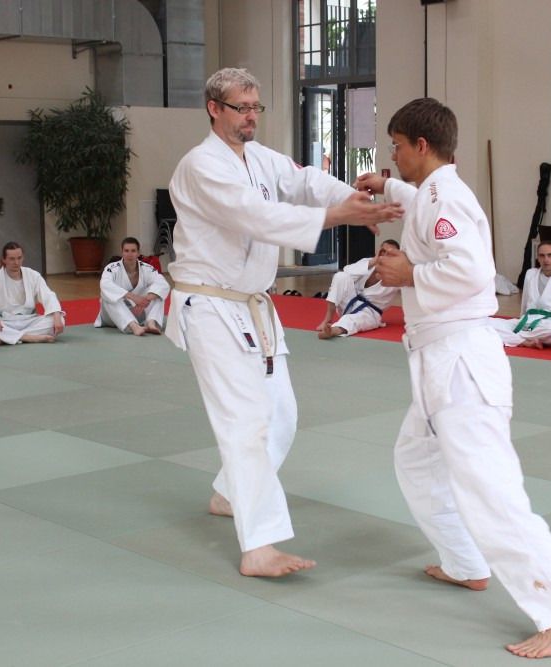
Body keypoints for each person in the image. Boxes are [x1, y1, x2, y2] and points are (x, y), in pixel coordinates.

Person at [355, 97, 551, 660]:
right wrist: (387, 186)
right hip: (438, 360)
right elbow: (419, 202)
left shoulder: (447, 196)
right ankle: (466, 562)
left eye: (396, 146)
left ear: (421, 146)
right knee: (416, 461)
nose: (392, 153)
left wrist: (409, 272)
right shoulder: (431, 191)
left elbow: (471, 269)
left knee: (490, 490)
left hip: (461, 362)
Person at [164, 68, 402, 578]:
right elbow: (256, 216)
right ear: (214, 109)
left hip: (252, 306)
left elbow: (304, 180)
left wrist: (354, 198)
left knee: (282, 415)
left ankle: (229, 492)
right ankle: (259, 546)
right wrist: (336, 217)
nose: (251, 116)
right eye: (241, 108)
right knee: (245, 420)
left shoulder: (258, 158)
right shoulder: (201, 166)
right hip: (210, 307)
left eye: (256, 107)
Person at [488, 241, 551, 348]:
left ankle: (516, 338)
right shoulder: (530, 274)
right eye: (542, 256)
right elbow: (524, 303)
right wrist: (521, 320)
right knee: (487, 322)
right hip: (528, 322)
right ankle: (526, 340)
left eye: (550, 255)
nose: (546, 259)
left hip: (549, 325)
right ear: (538, 258)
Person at [0, 242, 64, 345]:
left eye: (19, 258)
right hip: (4, 322)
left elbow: (48, 296)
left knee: (60, 319)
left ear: (23, 257)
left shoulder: (33, 275)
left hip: (29, 320)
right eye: (12, 259)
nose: (16, 262)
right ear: (4, 259)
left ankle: (7, 337)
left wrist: (56, 315)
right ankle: (29, 337)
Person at [316, 239, 401, 339]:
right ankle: (328, 319)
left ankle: (333, 330)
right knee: (341, 276)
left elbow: (411, 288)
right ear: (378, 251)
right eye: (383, 251)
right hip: (349, 302)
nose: (385, 255)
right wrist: (372, 262)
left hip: (369, 313)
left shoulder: (397, 276)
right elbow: (347, 271)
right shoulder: (368, 262)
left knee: (355, 320)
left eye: (390, 254)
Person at [95, 237, 170, 335]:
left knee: (157, 293)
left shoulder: (146, 268)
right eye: (126, 251)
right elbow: (105, 285)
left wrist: (146, 299)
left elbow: (163, 283)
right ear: (122, 252)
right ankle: (133, 326)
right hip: (113, 316)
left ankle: (151, 322)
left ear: (138, 253)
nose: (129, 254)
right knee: (108, 296)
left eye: (133, 251)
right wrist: (134, 297)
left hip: (138, 312)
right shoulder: (112, 268)